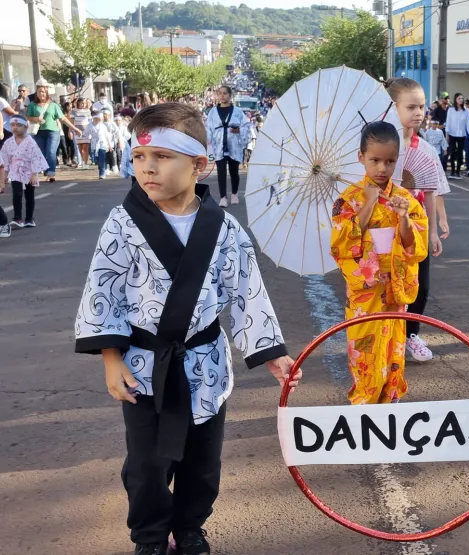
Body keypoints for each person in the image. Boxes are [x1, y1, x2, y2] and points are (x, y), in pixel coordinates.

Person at [74, 102, 297, 555]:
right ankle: (151, 537)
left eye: (162, 157)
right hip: (144, 365)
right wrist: (111, 360)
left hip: (205, 363)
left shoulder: (224, 228)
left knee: (202, 461)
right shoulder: (122, 223)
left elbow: (245, 292)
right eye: (139, 158)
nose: (148, 169)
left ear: (199, 164)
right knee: (147, 464)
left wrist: (270, 350)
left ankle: (191, 526)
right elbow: (104, 289)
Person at [330, 121, 429, 404]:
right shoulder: (348, 200)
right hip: (366, 291)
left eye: (389, 161)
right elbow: (343, 244)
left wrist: (403, 218)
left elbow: (415, 247)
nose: (382, 169)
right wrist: (369, 204)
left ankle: (389, 403)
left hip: (395, 288)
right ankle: (364, 404)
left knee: (393, 351)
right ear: (361, 157)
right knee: (365, 351)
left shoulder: (405, 199)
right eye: (374, 160)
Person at [385, 77, 451, 363]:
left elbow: (431, 190)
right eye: (410, 106)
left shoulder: (425, 149)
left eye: (422, 106)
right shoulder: (380, 149)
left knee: (420, 286)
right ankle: (387, 338)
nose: (418, 112)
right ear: (392, 107)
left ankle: (411, 334)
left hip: (417, 225)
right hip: (384, 227)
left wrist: (435, 229)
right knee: (387, 284)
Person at [26, 79, 81, 183]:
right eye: (39, 92)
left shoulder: (53, 105)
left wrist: (74, 128)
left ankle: (51, 173)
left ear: (47, 93)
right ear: (36, 94)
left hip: (53, 132)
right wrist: (36, 119)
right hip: (38, 132)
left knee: (51, 152)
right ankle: (46, 170)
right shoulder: (32, 105)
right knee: (42, 153)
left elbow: (63, 119)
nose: (41, 94)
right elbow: (28, 117)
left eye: (43, 92)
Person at [205, 85, 250, 207]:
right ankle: (223, 197)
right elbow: (208, 128)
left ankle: (234, 193)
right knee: (221, 171)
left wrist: (238, 131)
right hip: (219, 144)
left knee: (234, 171)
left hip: (234, 144)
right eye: (220, 93)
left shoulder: (238, 112)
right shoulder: (213, 112)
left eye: (225, 93)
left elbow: (246, 126)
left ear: (230, 95)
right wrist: (209, 141)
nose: (222, 95)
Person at [0, 115, 48, 229]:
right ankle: (17, 218)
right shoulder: (8, 143)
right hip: (15, 172)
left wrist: (34, 174)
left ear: (26, 127)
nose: (15, 128)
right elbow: (4, 161)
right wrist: (3, 179)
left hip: (29, 171)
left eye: (19, 125)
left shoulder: (30, 142)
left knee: (29, 196)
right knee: (17, 194)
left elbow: (36, 157)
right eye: (12, 125)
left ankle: (29, 219)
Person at [444, 93, 469, 179]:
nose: (461, 100)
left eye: (462, 98)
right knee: (452, 152)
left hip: (461, 135)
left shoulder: (466, 111)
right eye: (459, 98)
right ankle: (452, 171)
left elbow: (468, 124)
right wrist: (447, 135)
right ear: (456, 99)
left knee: (460, 153)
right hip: (452, 134)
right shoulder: (451, 110)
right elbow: (448, 123)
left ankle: (458, 172)